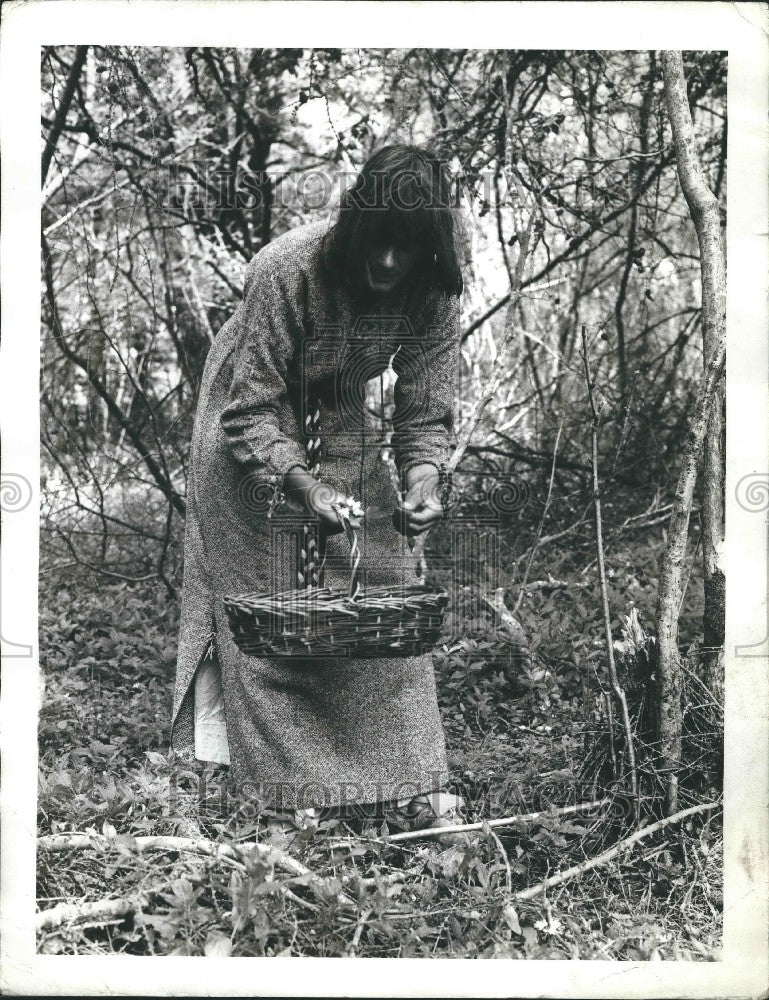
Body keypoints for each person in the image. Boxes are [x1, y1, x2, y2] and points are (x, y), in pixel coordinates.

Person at [171, 144, 468, 836]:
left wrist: (422, 479)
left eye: (407, 246)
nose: (389, 262)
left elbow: (425, 412)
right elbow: (250, 410)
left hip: (337, 408)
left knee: (386, 582)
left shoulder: (434, 287)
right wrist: (303, 488)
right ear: (351, 226)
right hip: (249, 413)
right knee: (269, 605)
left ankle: (413, 784)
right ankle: (284, 796)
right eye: (377, 242)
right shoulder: (286, 267)